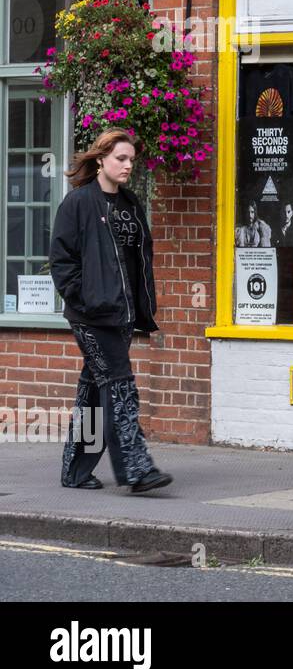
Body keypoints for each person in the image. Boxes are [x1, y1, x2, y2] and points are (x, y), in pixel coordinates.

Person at [49, 129, 172, 493]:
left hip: (122, 315)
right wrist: (84, 298)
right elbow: (61, 261)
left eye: (131, 159)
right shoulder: (78, 203)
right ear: (101, 159)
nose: (128, 165)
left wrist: (139, 307)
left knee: (94, 390)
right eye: (121, 158)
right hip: (91, 316)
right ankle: (136, 468)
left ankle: (75, 470)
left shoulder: (131, 204)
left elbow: (136, 262)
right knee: (120, 385)